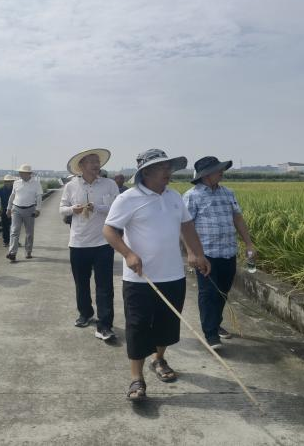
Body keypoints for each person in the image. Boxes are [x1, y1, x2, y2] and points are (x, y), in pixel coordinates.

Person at [104, 149, 210, 402]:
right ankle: (136, 378)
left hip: (173, 274)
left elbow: (186, 225)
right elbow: (109, 231)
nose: (168, 172)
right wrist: (128, 254)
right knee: (138, 327)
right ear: (146, 172)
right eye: (162, 167)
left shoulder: (174, 197)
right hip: (140, 278)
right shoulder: (128, 199)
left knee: (166, 325)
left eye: (169, 166)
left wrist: (197, 253)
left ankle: (159, 359)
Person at [183, 156, 257, 349]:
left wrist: (248, 243)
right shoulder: (192, 196)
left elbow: (238, 218)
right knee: (208, 293)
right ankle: (210, 334)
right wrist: (191, 253)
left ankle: (215, 323)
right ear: (206, 174)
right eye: (218, 170)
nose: (221, 172)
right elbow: (185, 226)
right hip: (205, 254)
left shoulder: (228, 193)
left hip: (228, 251)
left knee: (222, 292)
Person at [59, 148, 120, 342]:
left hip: (103, 242)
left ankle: (105, 325)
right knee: (81, 283)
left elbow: (118, 208)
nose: (96, 165)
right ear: (81, 166)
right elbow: (62, 209)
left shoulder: (109, 184)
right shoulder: (71, 186)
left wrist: (98, 207)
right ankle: (85, 313)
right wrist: (73, 209)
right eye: (91, 161)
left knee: (105, 286)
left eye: (97, 161)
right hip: (78, 242)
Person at [6, 164, 43, 261]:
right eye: (20, 172)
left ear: (29, 174)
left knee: (29, 232)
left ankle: (28, 251)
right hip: (16, 209)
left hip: (30, 209)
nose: (20, 174)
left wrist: (38, 209)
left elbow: (39, 197)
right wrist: (8, 208)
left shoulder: (36, 183)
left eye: (23, 172)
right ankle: (12, 253)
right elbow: (12, 196)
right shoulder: (16, 183)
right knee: (14, 231)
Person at [0, 174, 16, 246]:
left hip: (14, 210)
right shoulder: (0, 190)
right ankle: (6, 241)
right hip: (4, 210)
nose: (8, 183)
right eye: (7, 181)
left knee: (15, 227)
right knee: (5, 227)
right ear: (4, 182)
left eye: (10, 181)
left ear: (12, 182)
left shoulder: (15, 189)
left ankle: (15, 241)